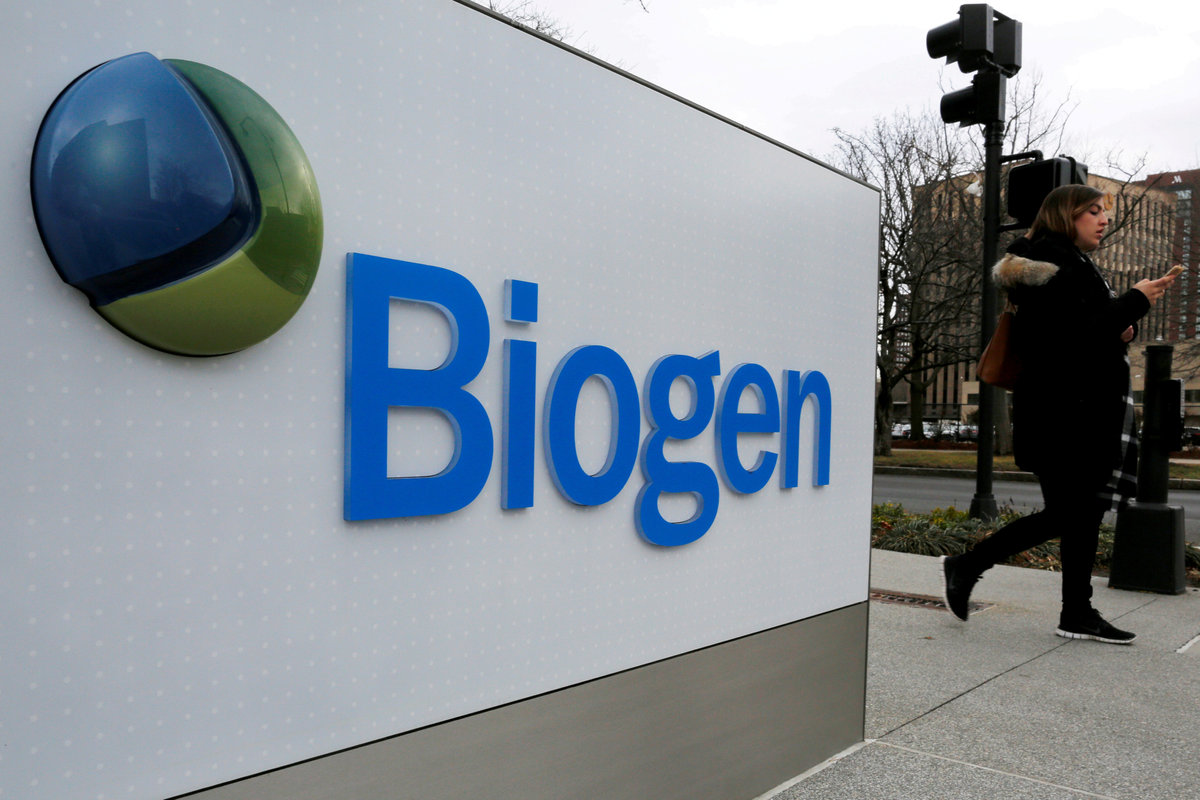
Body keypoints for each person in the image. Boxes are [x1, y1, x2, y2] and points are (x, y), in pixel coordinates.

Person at [941, 184, 1178, 644]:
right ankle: (968, 565)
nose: (1103, 219)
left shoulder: (1067, 263)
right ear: (1065, 216)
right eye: (1093, 211)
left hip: (1072, 411)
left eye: (1104, 211)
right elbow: (1069, 339)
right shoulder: (1051, 266)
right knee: (1071, 513)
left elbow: (1080, 331)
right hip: (1066, 415)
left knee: (1081, 515)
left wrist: (1123, 326)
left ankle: (1076, 613)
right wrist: (1135, 298)